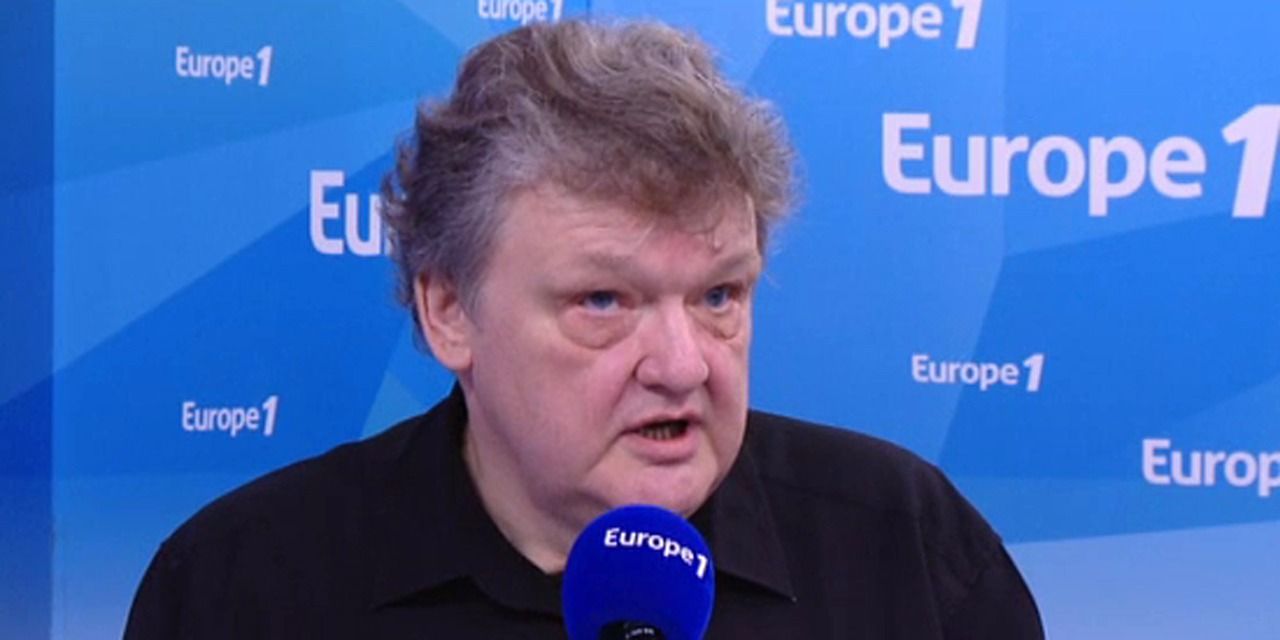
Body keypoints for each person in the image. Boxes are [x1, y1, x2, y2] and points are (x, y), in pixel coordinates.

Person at [125, 19, 1043, 639]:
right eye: (604, 302)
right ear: (449, 311)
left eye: (719, 296)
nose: (683, 366)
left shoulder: (908, 556)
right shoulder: (243, 590)